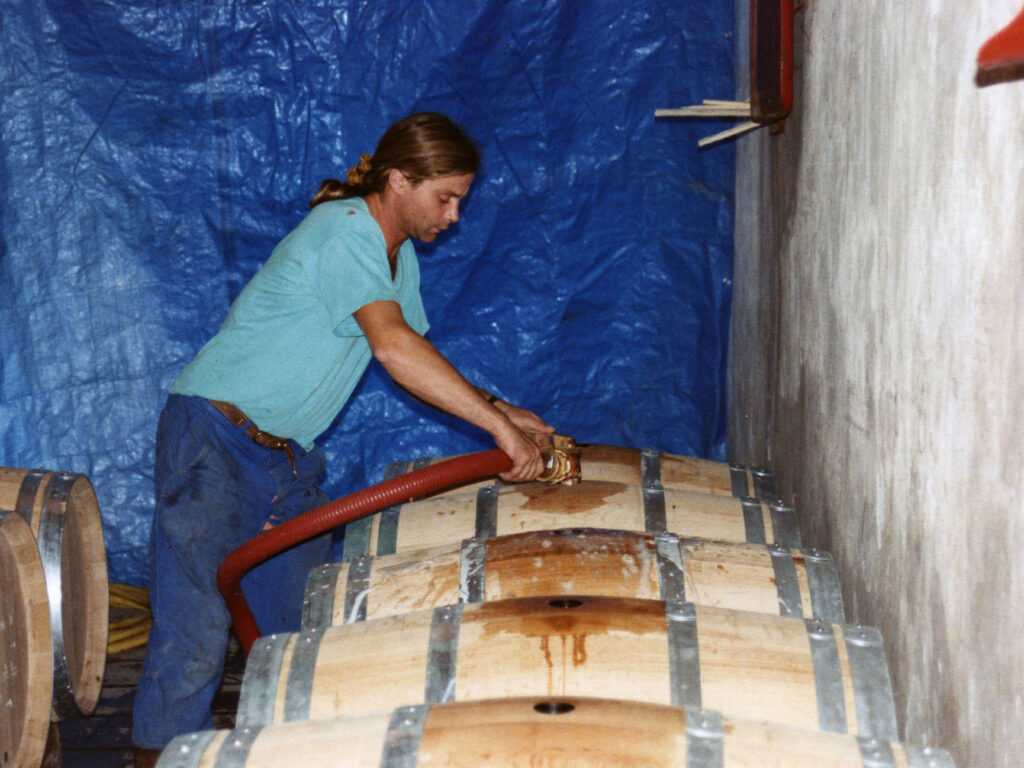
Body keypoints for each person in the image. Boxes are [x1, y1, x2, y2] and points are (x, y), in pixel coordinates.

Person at [131, 111, 555, 765]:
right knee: (196, 633)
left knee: (298, 641)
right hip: (213, 441)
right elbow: (391, 348)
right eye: (445, 198)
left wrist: (501, 407)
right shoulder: (345, 230)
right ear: (398, 180)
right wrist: (494, 427)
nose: (454, 216)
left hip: (282, 461)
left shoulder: (397, 254)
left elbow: (415, 351)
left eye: (459, 201)